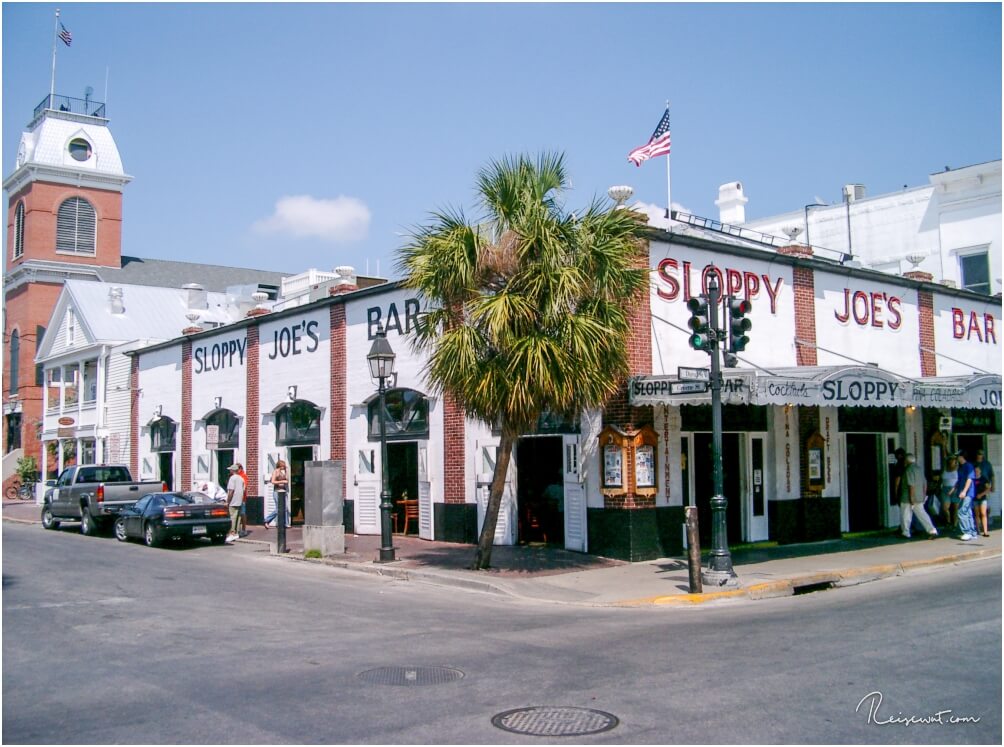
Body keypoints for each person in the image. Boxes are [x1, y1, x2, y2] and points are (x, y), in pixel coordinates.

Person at [899, 454, 938, 539]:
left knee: (906, 515)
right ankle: (932, 530)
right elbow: (925, 483)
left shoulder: (908, 470)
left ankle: (906, 532)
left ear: (906, 461)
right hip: (920, 496)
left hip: (908, 497)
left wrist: (911, 498)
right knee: (922, 514)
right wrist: (924, 495)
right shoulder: (919, 469)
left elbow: (911, 485)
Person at [954, 450, 977, 541]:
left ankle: (967, 532)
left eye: (958, 456)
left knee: (961, 511)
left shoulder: (968, 466)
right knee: (968, 512)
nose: (957, 458)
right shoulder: (961, 467)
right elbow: (960, 480)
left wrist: (964, 491)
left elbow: (969, 479)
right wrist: (954, 489)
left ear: (961, 457)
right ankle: (972, 532)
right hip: (963, 492)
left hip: (967, 493)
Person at [263, 459, 290, 528]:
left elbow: (287, 480)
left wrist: (287, 472)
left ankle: (286, 523)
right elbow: (273, 481)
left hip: (283, 491)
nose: (283, 468)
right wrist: (282, 482)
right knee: (279, 508)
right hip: (277, 491)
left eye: (284, 466)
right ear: (279, 466)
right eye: (282, 466)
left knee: (285, 507)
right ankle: (267, 520)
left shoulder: (284, 472)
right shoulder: (276, 472)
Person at [225, 463, 245, 544]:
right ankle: (237, 532)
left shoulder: (232, 478)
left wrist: (227, 501)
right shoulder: (241, 478)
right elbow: (243, 489)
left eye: (230, 469)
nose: (229, 471)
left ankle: (232, 533)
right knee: (238, 517)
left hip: (233, 500)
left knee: (232, 517)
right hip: (240, 500)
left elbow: (231, 491)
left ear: (233, 470)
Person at [940, 456, 959, 528]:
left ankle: (955, 523)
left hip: (955, 488)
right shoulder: (945, 469)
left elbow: (959, 481)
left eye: (953, 460)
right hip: (945, 488)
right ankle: (948, 521)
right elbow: (941, 480)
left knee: (955, 507)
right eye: (950, 460)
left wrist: (953, 489)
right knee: (945, 507)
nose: (951, 462)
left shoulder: (958, 469)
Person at [973, 465, 991, 538]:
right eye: (975, 471)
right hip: (975, 499)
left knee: (983, 513)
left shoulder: (984, 479)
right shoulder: (972, 479)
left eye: (978, 470)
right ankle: (978, 530)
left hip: (982, 498)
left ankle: (985, 531)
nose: (976, 472)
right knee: (976, 514)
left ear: (980, 471)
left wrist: (981, 494)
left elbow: (988, 489)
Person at [236, 464, 249, 536]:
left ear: (240, 469)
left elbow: (244, 487)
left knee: (242, 513)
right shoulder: (235, 476)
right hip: (235, 498)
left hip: (241, 498)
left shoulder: (243, 476)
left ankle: (244, 529)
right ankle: (237, 529)